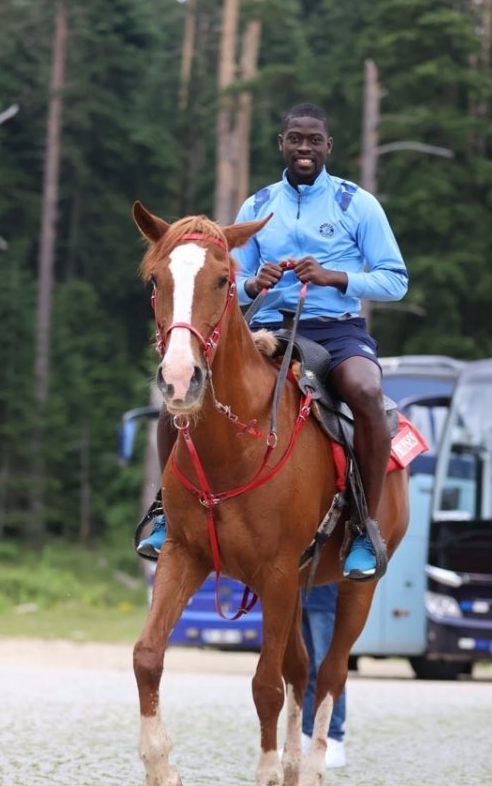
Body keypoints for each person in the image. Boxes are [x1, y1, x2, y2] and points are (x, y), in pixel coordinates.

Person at [138, 102, 408, 580]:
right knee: (177, 400)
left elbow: (395, 281)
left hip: (337, 330)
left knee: (365, 392)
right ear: (281, 144)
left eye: (314, 140)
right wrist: (253, 284)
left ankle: (364, 527)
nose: (304, 148)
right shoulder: (257, 207)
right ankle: (166, 511)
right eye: (295, 139)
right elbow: (220, 281)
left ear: (329, 147)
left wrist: (334, 277)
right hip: (270, 328)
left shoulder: (356, 203)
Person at [301, 584, 347, 768]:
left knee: (329, 670)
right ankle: (307, 733)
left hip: (326, 600)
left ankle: (333, 738)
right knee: (305, 670)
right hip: (300, 599)